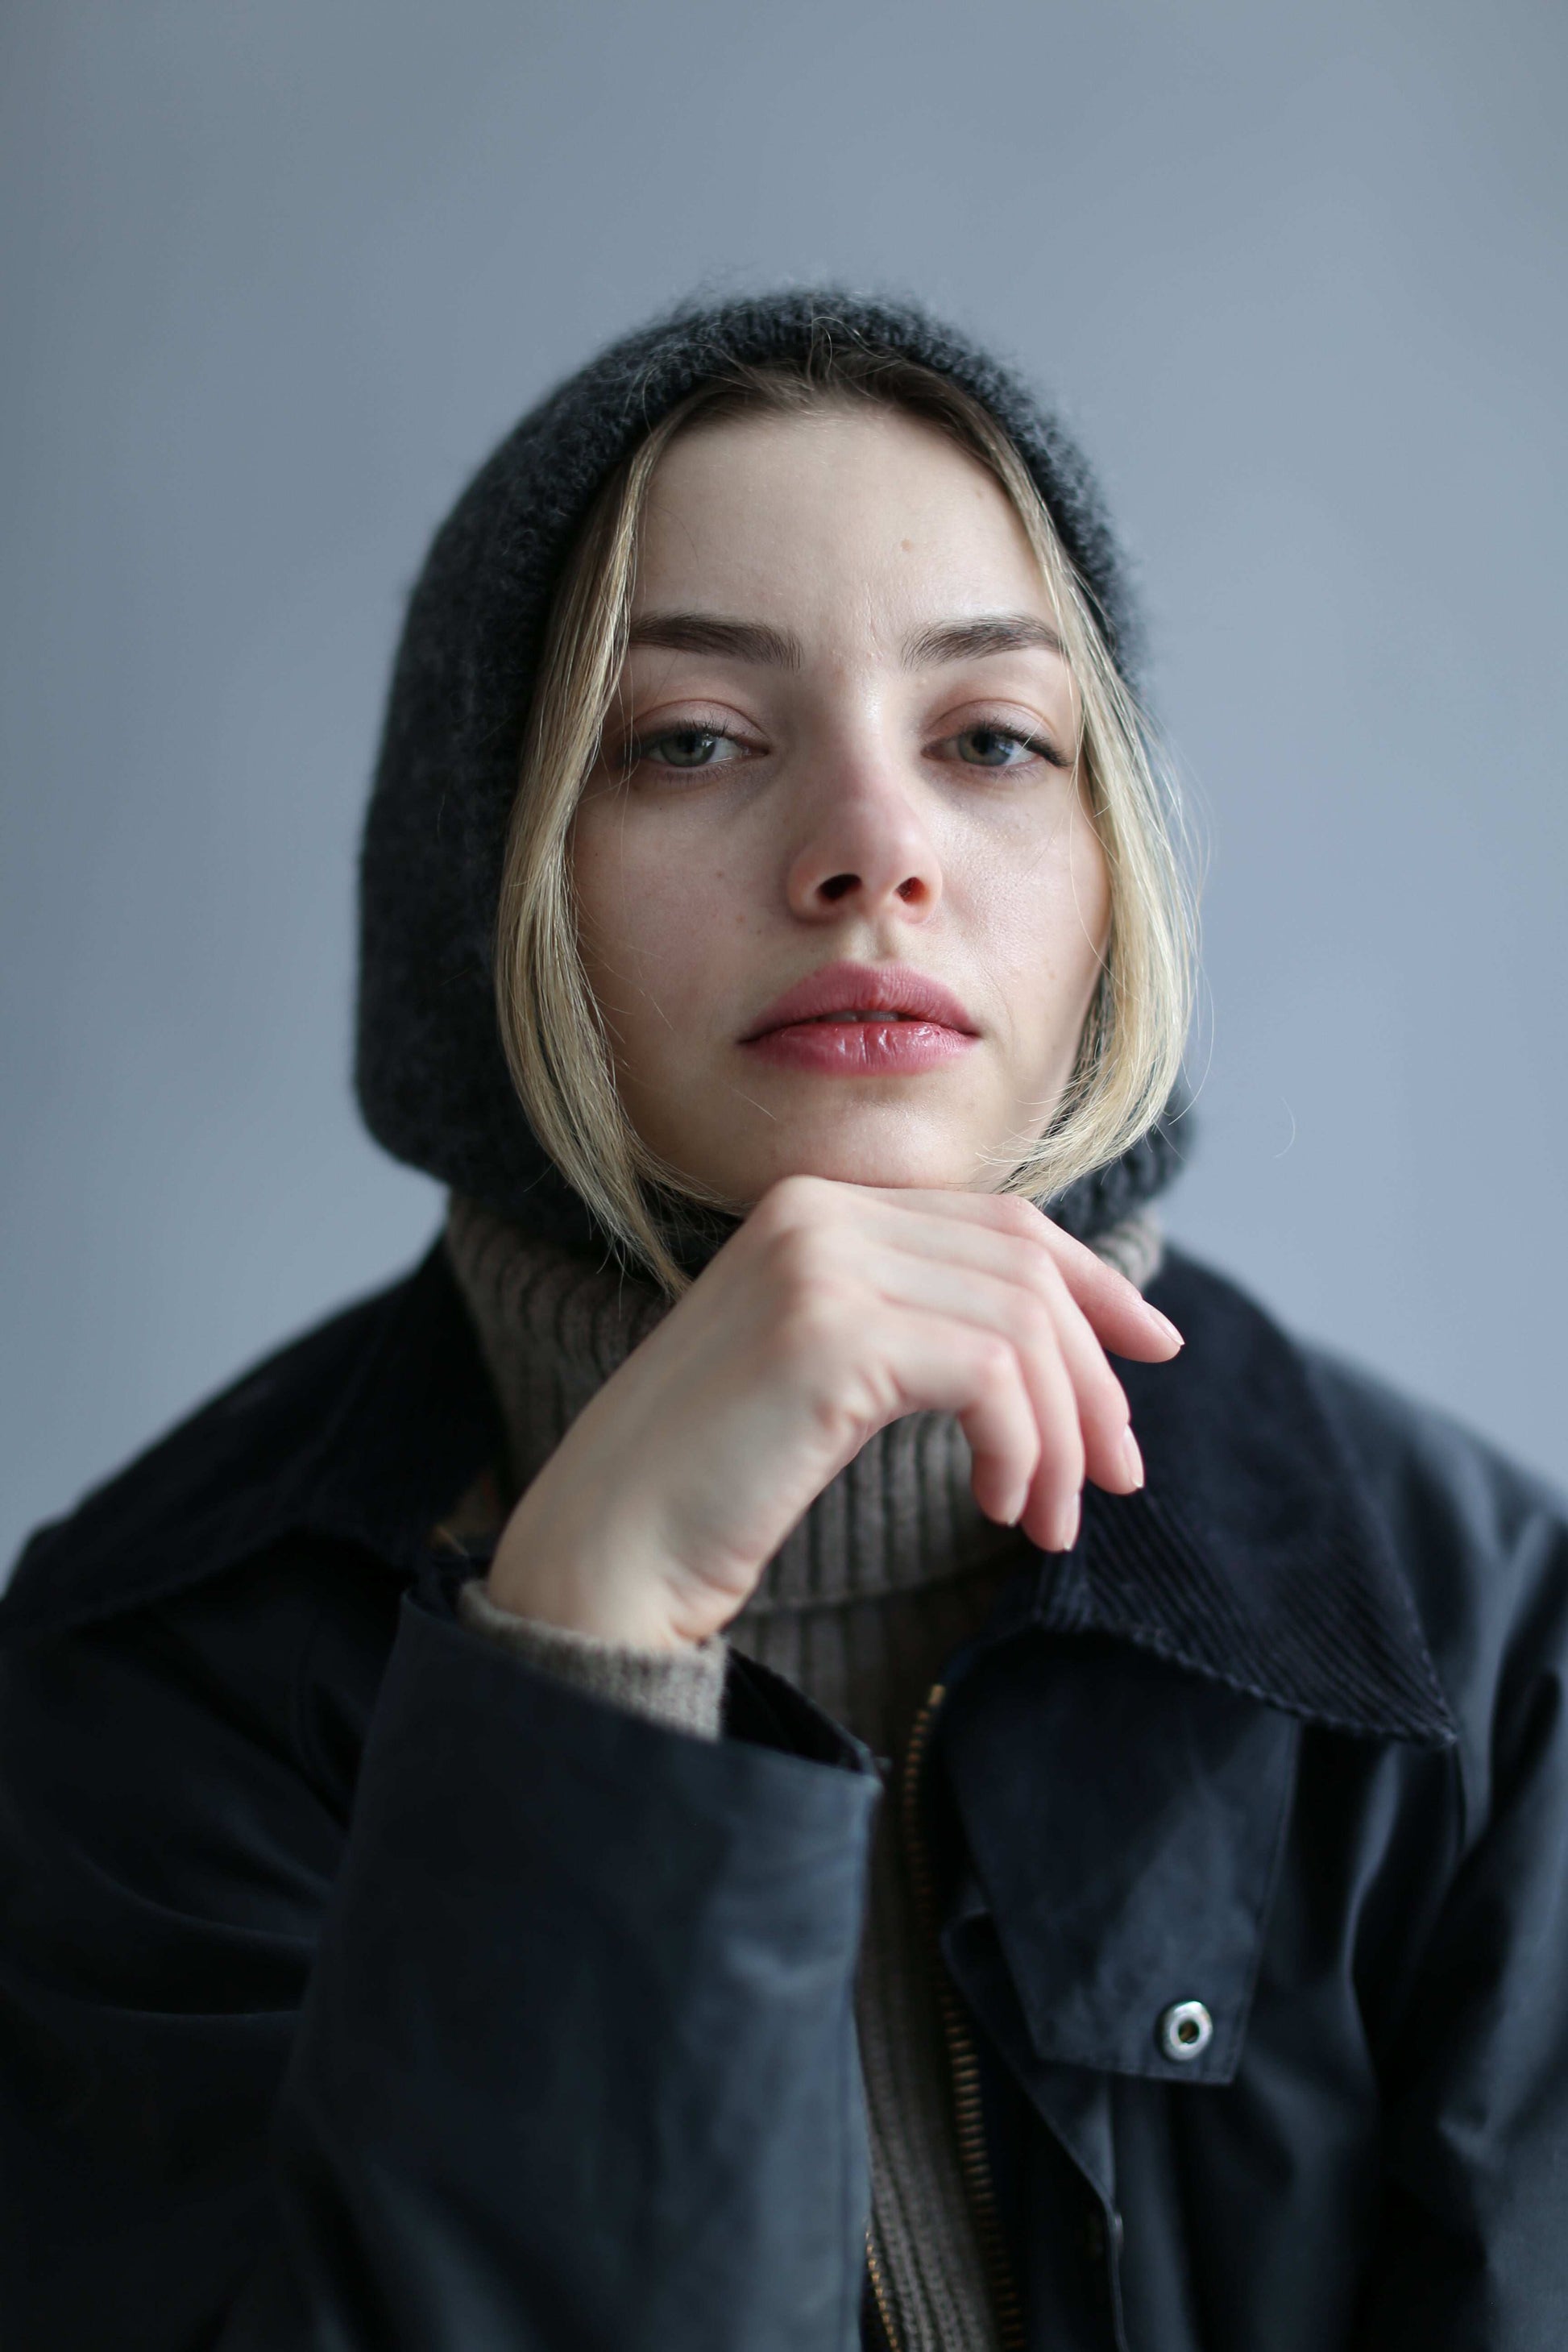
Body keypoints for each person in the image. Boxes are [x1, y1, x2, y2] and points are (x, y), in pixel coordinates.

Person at [2, 291, 1565, 2352]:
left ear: (1113, 864)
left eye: (991, 739)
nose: (872, 853)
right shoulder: (146, 1681)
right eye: (691, 743)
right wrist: (585, 1657)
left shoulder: (1476, 1629)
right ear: (489, 875)